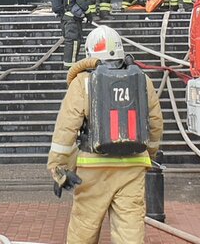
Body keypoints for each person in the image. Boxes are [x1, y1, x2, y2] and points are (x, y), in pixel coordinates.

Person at [47, 25, 163, 244]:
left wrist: (59, 170)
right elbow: (155, 123)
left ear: (89, 54)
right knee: (130, 232)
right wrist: (150, 155)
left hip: (93, 168)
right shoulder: (142, 79)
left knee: (83, 230)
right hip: (132, 167)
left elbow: (66, 129)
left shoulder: (82, 82)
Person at [61, 0, 89, 67]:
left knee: (70, 43)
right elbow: (81, 1)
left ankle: (69, 67)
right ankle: (71, 68)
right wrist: (88, 14)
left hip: (66, 18)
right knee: (73, 43)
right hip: (72, 21)